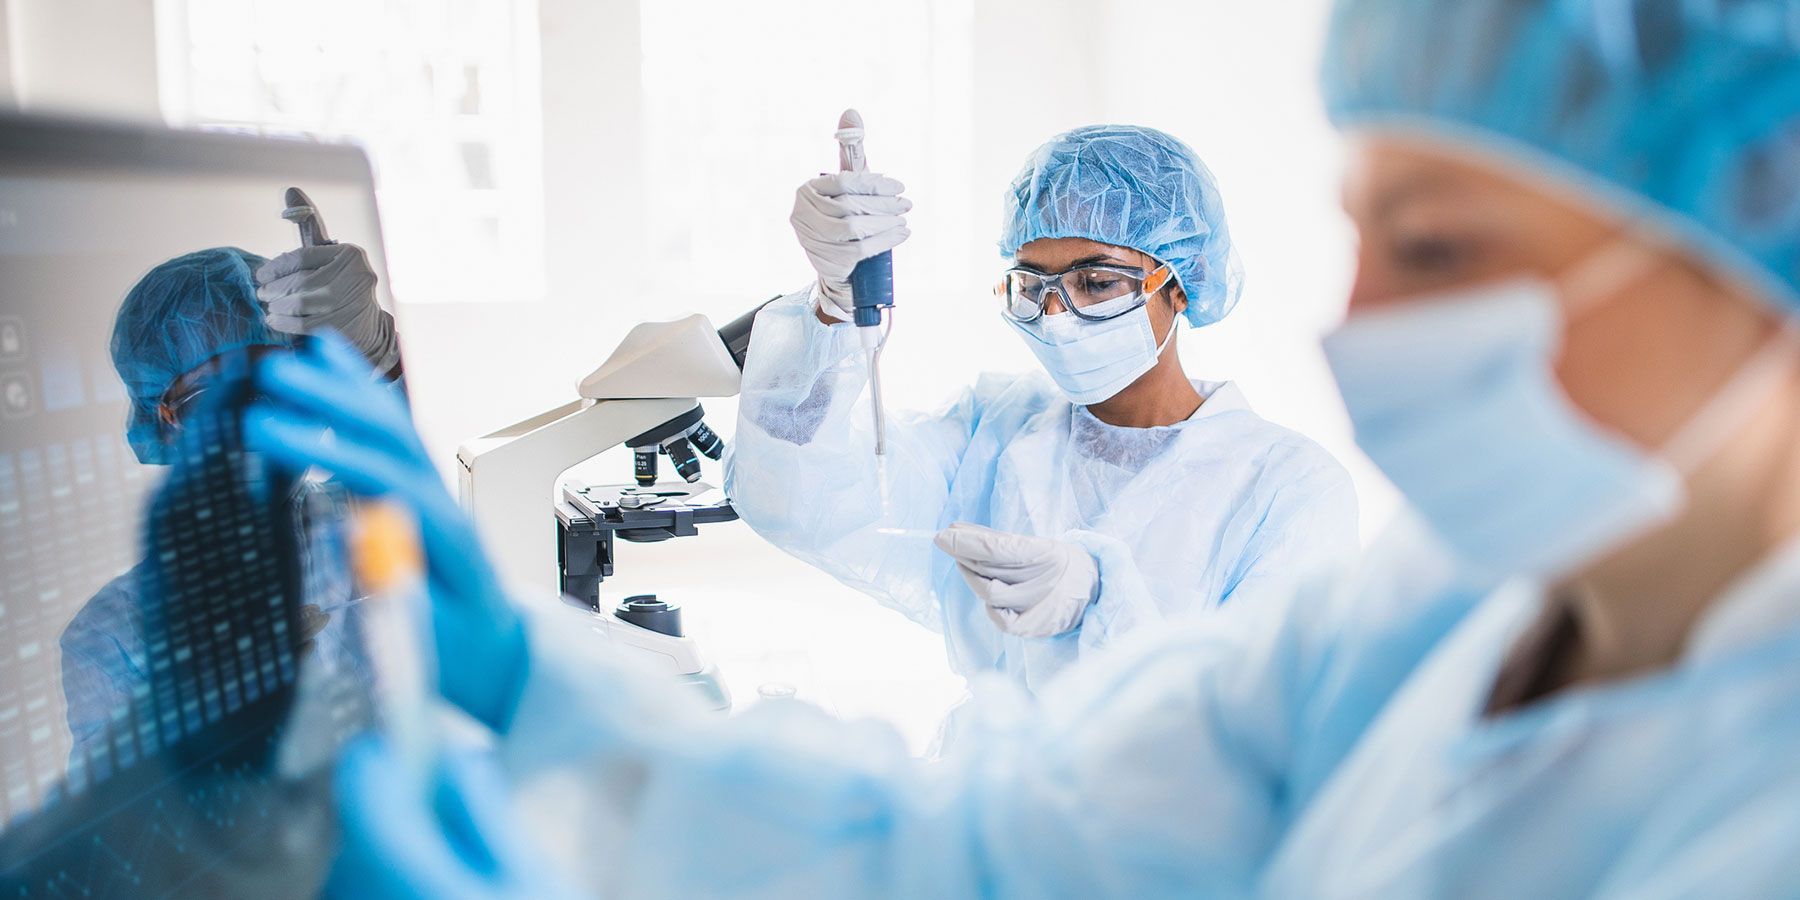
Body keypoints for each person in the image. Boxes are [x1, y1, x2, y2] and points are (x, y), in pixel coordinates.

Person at [265, 0, 1800, 894]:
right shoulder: (1434, 611)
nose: (1360, 320)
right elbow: (995, 836)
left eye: (1441, 252)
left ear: (1748, 243)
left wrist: (1107, 602)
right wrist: (534, 691)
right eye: (1359, 243)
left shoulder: (1754, 818)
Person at [727, 125, 1358, 692]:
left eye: (1097, 281)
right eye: (1033, 284)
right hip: (988, 796)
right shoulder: (993, 427)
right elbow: (800, 496)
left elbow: (1268, 718)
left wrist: (1103, 604)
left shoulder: (1290, 487)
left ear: (1182, 285)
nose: (1055, 315)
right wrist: (833, 308)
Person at [59, 247, 367, 765]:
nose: (247, 422)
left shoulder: (358, 517)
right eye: (208, 399)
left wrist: (379, 363)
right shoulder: (108, 635)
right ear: (161, 422)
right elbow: (120, 830)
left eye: (265, 383)